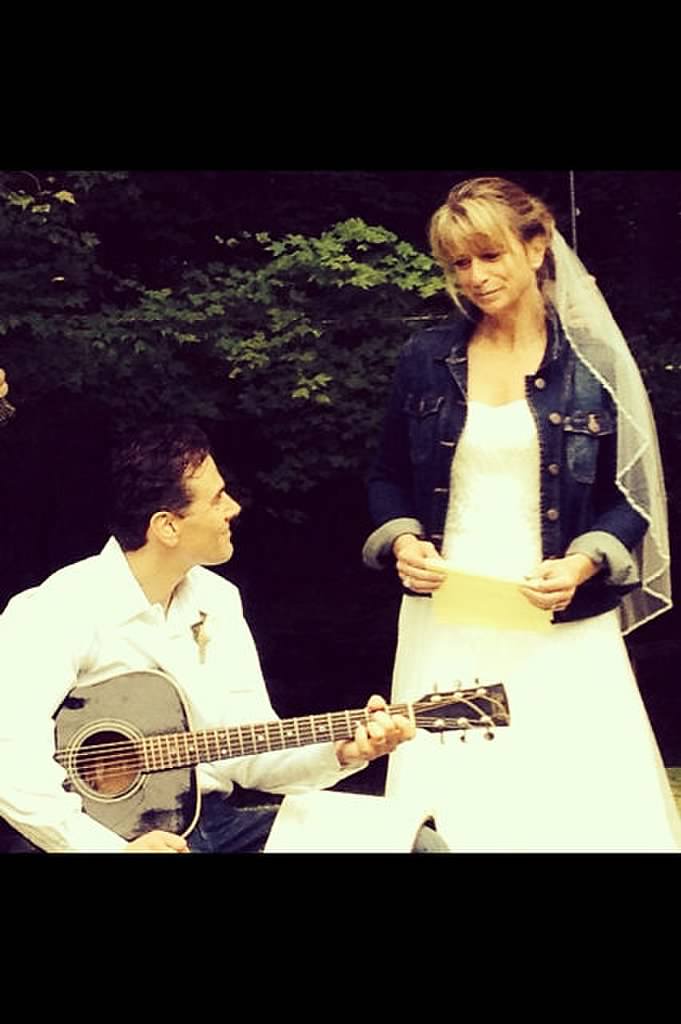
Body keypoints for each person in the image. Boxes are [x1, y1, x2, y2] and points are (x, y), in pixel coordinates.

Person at [362, 176, 681, 853]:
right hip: (446, 615)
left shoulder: (594, 362)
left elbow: (632, 500)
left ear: (536, 247)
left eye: (490, 255)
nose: (474, 277)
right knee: (454, 796)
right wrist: (403, 543)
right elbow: (386, 476)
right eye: (458, 262)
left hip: (555, 614)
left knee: (573, 793)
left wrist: (582, 562)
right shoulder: (424, 360)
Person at [0, 422, 419, 853]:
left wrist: (343, 751)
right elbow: (7, 753)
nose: (233, 508)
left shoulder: (218, 600)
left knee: (408, 842)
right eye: (217, 498)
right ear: (167, 526)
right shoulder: (59, 608)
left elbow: (250, 749)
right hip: (96, 837)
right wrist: (105, 849)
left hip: (218, 825)